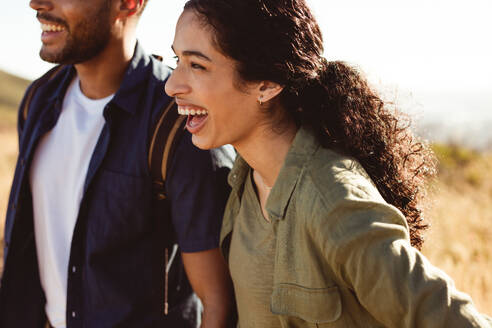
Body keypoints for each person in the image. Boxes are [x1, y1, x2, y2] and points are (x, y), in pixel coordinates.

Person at [165, 0, 492, 327]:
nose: (172, 85)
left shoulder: (332, 200)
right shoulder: (244, 180)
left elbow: (453, 319)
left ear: (266, 84)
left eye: (197, 66)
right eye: (177, 60)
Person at [0, 0, 235, 327]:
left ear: (128, 4)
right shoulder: (38, 100)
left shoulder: (179, 122)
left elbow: (217, 302)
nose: (37, 4)